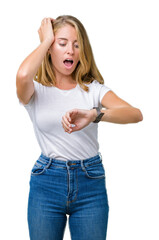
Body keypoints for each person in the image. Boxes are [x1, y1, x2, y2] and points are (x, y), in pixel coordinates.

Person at [16, 15, 143, 240]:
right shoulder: (35, 90)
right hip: (47, 182)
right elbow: (23, 74)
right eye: (62, 43)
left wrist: (95, 114)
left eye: (76, 45)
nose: (71, 51)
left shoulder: (92, 89)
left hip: (90, 182)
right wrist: (45, 40)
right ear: (50, 49)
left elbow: (134, 114)